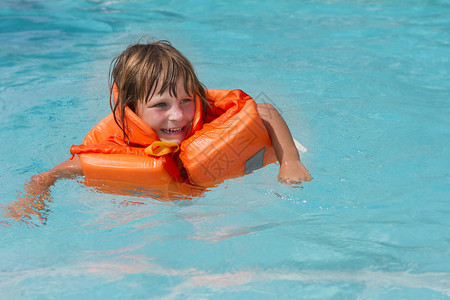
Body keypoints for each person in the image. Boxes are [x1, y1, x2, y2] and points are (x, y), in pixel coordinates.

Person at [4, 40, 312, 222]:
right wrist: (33, 198)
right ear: (132, 108)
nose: (177, 115)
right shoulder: (116, 145)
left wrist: (290, 161)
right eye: (161, 105)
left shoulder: (211, 116)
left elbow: (266, 112)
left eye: (186, 100)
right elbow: (48, 175)